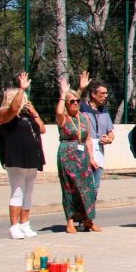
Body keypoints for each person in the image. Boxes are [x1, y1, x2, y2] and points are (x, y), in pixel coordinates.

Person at [0, 74, 46, 239]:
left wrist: (34, 113)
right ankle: (14, 225)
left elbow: (42, 129)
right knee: (18, 191)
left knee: (28, 192)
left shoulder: (26, 116)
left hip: (32, 157)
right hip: (16, 158)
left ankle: (25, 223)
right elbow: (12, 109)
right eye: (22, 97)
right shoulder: (3, 114)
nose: (24, 100)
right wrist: (21, 89)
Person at [56, 76, 99, 233]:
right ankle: (70, 221)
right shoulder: (63, 118)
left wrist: (91, 157)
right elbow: (59, 110)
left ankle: (88, 220)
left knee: (88, 187)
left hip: (82, 156)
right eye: (71, 102)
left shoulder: (83, 117)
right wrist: (63, 94)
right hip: (67, 154)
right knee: (69, 188)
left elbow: (87, 139)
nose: (75, 104)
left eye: (77, 101)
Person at [78, 72, 113, 192]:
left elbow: (111, 133)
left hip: (99, 152)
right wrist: (81, 88)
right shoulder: (82, 107)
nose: (105, 96)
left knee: (95, 186)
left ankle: (91, 209)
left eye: (106, 93)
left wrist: (109, 139)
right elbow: (71, 103)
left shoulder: (104, 111)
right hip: (84, 150)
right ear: (93, 94)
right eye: (102, 93)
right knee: (85, 186)